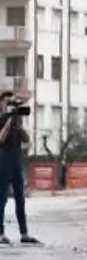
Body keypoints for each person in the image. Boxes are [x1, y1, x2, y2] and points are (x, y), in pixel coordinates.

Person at [0, 91, 38, 245]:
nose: (10, 105)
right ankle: (0, 233)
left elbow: (27, 141)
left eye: (12, 103)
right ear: (1, 104)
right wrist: (9, 120)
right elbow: (1, 138)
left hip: (16, 163)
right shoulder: (2, 120)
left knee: (20, 199)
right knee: (1, 199)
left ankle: (24, 233)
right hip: (3, 163)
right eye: (7, 102)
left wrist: (18, 121)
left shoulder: (16, 123)